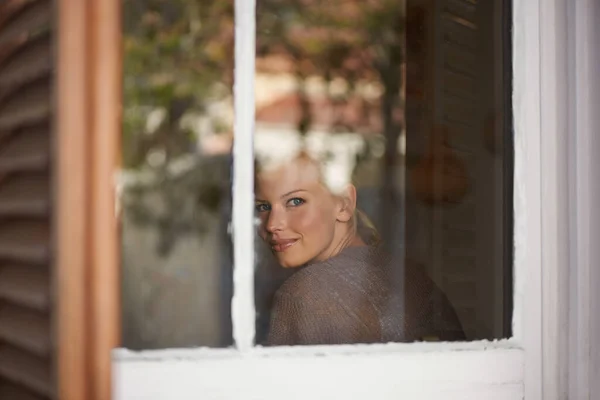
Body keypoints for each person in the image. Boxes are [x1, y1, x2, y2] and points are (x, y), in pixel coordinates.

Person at [255, 152, 465, 346]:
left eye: (295, 201)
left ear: (344, 205)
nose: (272, 224)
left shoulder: (306, 293)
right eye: (263, 207)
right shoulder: (410, 275)